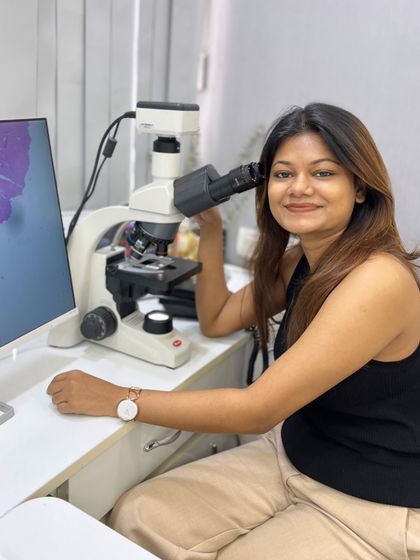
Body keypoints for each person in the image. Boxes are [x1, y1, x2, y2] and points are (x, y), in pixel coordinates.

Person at [47, 102, 420, 559]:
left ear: (360, 187)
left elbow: (256, 410)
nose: (299, 187)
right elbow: (219, 318)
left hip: (371, 499)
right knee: (136, 516)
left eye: (323, 173)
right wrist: (210, 229)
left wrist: (118, 398)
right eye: (283, 174)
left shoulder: (379, 280)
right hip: (297, 454)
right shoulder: (304, 260)